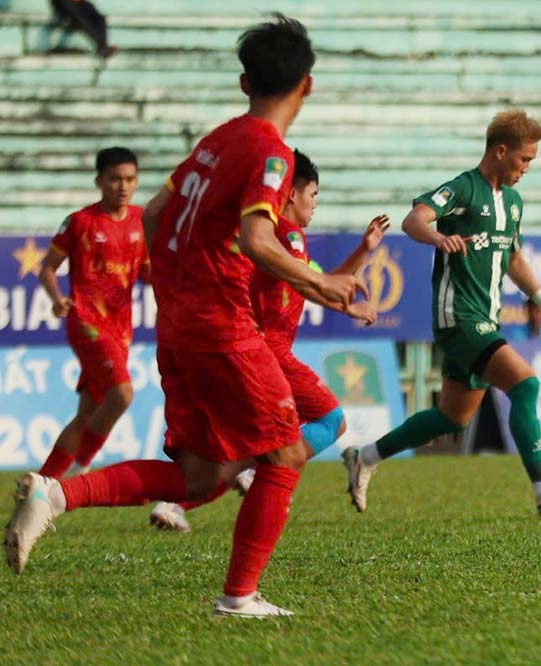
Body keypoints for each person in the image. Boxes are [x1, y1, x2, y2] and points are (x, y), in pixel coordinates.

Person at [4, 15, 364, 618]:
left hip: (179, 326)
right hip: (223, 328)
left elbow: (153, 214)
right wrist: (319, 280)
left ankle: (54, 492)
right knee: (285, 455)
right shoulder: (271, 153)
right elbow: (256, 237)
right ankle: (239, 596)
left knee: (201, 478)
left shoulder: (217, 139)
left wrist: (176, 286)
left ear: (244, 80)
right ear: (307, 85)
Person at [343, 109, 541, 518]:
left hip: (485, 318)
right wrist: (438, 237)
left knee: (453, 416)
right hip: (459, 316)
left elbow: (512, 258)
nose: (527, 168)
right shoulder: (464, 189)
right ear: (501, 151)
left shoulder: (513, 202)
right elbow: (413, 219)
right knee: (525, 385)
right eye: (524, 160)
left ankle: (364, 456)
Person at [149, 150, 389, 532]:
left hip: (254, 349)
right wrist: (348, 307)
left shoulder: (280, 238)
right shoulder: (288, 236)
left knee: (249, 446)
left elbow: (321, 281)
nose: (315, 205)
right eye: (313, 195)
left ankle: (178, 502)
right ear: (292, 193)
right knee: (329, 421)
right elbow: (313, 284)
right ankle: (243, 486)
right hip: (268, 352)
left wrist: (364, 250)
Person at [36, 147, 148, 480]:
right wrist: (57, 298)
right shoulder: (80, 222)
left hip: (121, 327)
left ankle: (43, 482)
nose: (122, 186)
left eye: (129, 179)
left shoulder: (143, 222)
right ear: (99, 181)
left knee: (87, 413)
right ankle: (81, 470)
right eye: (114, 179)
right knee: (122, 394)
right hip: (86, 321)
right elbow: (47, 269)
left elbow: (147, 273)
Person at [49, 0, 117, 58]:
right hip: (63, 3)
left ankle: (102, 47)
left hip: (77, 4)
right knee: (82, 19)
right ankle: (101, 47)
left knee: (99, 18)